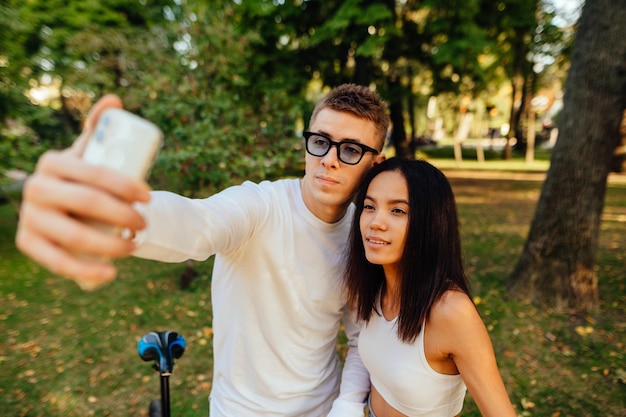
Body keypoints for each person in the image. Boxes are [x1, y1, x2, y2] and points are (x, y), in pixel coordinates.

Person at [15, 84, 390, 417]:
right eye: (321, 142)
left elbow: (361, 338)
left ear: (376, 164)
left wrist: (345, 406)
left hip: (322, 408)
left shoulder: (364, 235)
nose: (329, 159)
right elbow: (197, 222)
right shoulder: (259, 206)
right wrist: (109, 211)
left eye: (351, 150)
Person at [343, 158, 517, 417]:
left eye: (398, 211)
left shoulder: (451, 311)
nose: (375, 222)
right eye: (369, 206)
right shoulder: (375, 287)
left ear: (431, 223)